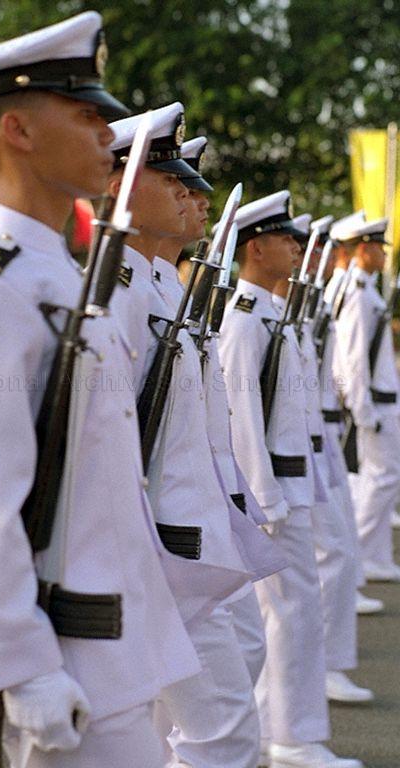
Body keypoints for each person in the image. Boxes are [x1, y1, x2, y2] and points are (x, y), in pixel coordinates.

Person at [0, 14, 202, 768]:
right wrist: (24, 669)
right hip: (66, 666)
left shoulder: (59, 280)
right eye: (86, 115)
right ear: (17, 129)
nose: (108, 133)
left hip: (117, 648)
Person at [108, 107, 261, 768]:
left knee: (193, 714)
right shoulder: (120, 291)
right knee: (223, 730)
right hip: (163, 542)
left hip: (195, 529)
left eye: (188, 183)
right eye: (169, 177)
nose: (188, 195)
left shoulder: (161, 282)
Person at [218, 190, 362, 768]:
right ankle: (291, 736)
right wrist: (265, 498)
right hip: (275, 493)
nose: (298, 249)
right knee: (288, 611)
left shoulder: (272, 312)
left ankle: (281, 731)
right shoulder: (246, 320)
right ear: (257, 248)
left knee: (290, 610)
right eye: (287, 239)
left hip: (295, 484)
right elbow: (242, 414)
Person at [155, 134, 286, 689]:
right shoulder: (134, 297)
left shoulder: (172, 294)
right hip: (171, 528)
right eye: (175, 183)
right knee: (217, 712)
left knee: (239, 662)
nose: (196, 198)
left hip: (209, 512)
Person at [283, 214, 373, 705]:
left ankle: (325, 671)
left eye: (313, 248)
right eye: (297, 245)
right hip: (292, 459)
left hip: (317, 441)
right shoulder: (255, 315)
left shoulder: (303, 303)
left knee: (338, 554)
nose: (307, 256)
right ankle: (293, 710)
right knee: (302, 584)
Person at [329, 214, 400, 583]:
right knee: (381, 480)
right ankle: (360, 554)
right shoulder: (357, 294)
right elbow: (353, 359)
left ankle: (374, 556)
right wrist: (363, 410)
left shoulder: (365, 289)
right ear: (364, 249)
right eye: (378, 249)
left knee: (384, 479)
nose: (384, 256)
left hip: (384, 400)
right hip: (374, 402)